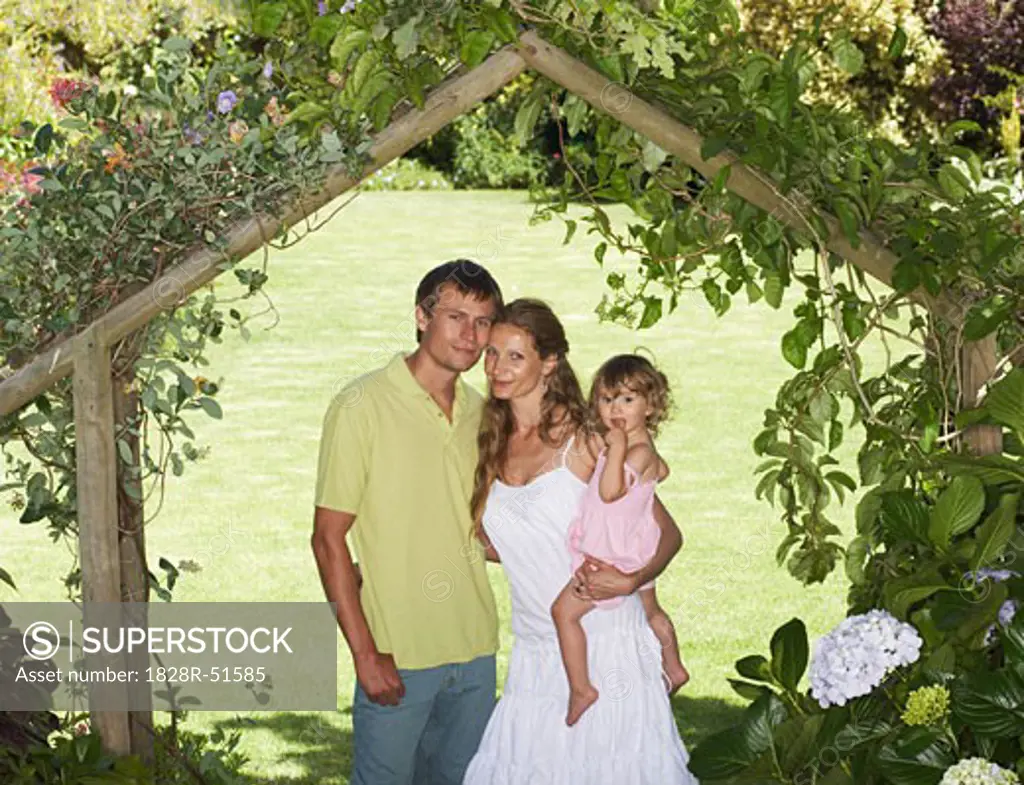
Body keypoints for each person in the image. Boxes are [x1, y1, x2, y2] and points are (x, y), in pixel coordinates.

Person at [462, 298, 698, 785]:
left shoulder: (589, 439)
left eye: (514, 356)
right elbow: (508, 545)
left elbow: (664, 533)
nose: (496, 368)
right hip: (534, 653)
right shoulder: (490, 438)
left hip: (605, 647)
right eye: (490, 354)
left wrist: (634, 581)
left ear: (549, 363)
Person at [311, 260, 503, 785]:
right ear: (422, 317)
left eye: (483, 321)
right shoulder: (361, 405)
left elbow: (481, 528)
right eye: (455, 316)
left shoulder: (482, 412)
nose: (470, 334)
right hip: (399, 655)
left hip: (475, 650)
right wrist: (365, 655)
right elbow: (328, 540)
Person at [553, 353, 690, 726]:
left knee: (563, 613)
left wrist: (614, 449)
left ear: (651, 406)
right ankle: (673, 666)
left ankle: (582, 688)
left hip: (614, 554)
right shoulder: (642, 450)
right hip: (635, 542)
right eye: (606, 398)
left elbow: (610, 491)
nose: (615, 408)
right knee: (651, 611)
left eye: (627, 399)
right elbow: (662, 472)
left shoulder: (636, 450)